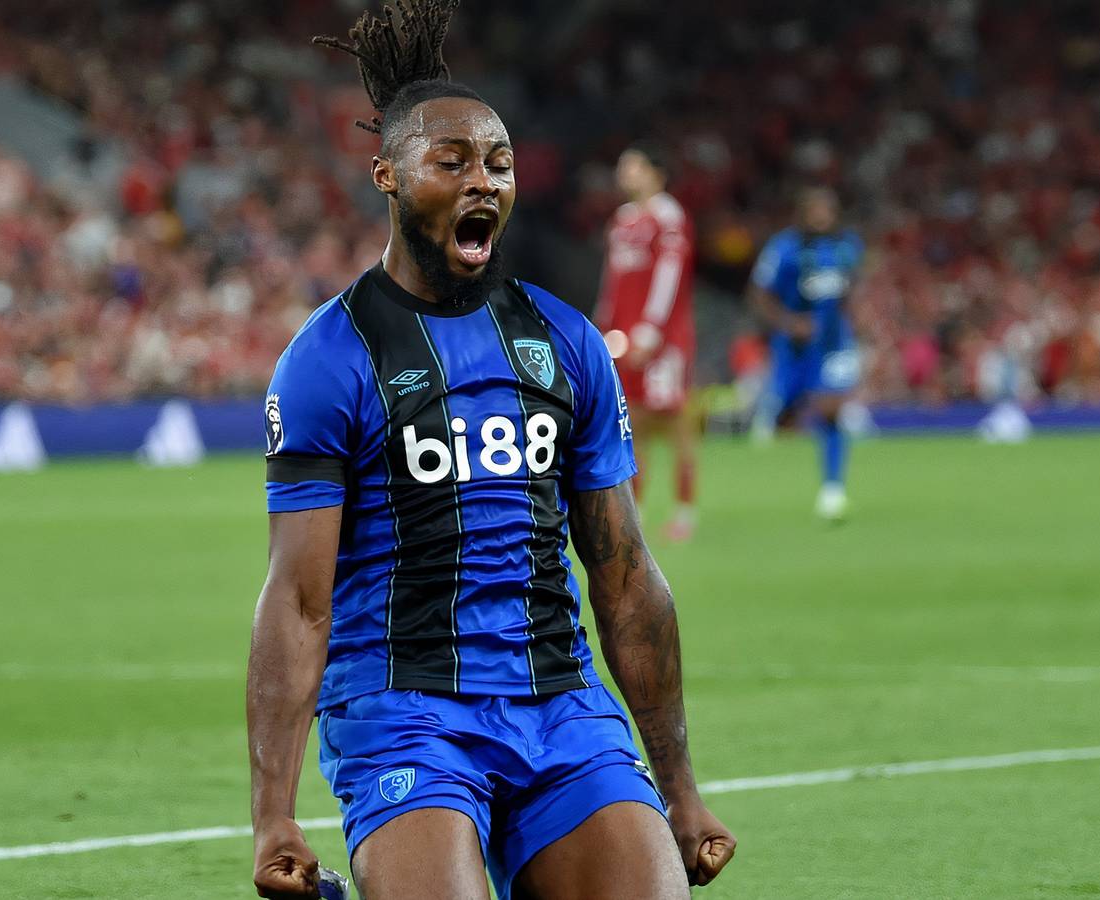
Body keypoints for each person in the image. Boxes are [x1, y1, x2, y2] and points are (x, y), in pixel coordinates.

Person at [246, 3, 735, 899]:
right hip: (405, 714)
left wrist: (680, 790)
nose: (484, 182)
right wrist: (272, 814)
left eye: (500, 164)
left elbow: (625, 574)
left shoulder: (568, 343)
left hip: (563, 706)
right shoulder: (329, 359)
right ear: (388, 175)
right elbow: (299, 600)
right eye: (453, 162)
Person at [595, 143, 699, 541]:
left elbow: (670, 276)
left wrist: (651, 330)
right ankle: (634, 511)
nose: (625, 173)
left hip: (663, 341)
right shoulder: (622, 220)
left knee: (674, 422)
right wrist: (603, 326)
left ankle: (684, 511)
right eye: (623, 167)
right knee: (630, 423)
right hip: (623, 338)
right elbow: (612, 281)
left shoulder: (669, 217)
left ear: (656, 173)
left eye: (633, 166)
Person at [748, 186, 864, 520]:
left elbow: (851, 286)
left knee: (830, 409)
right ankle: (774, 410)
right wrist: (789, 322)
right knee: (787, 413)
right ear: (802, 213)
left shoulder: (847, 246)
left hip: (834, 343)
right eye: (815, 210)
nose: (821, 216)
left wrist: (848, 317)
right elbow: (759, 293)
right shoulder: (784, 248)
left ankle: (833, 489)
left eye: (827, 210)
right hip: (794, 347)